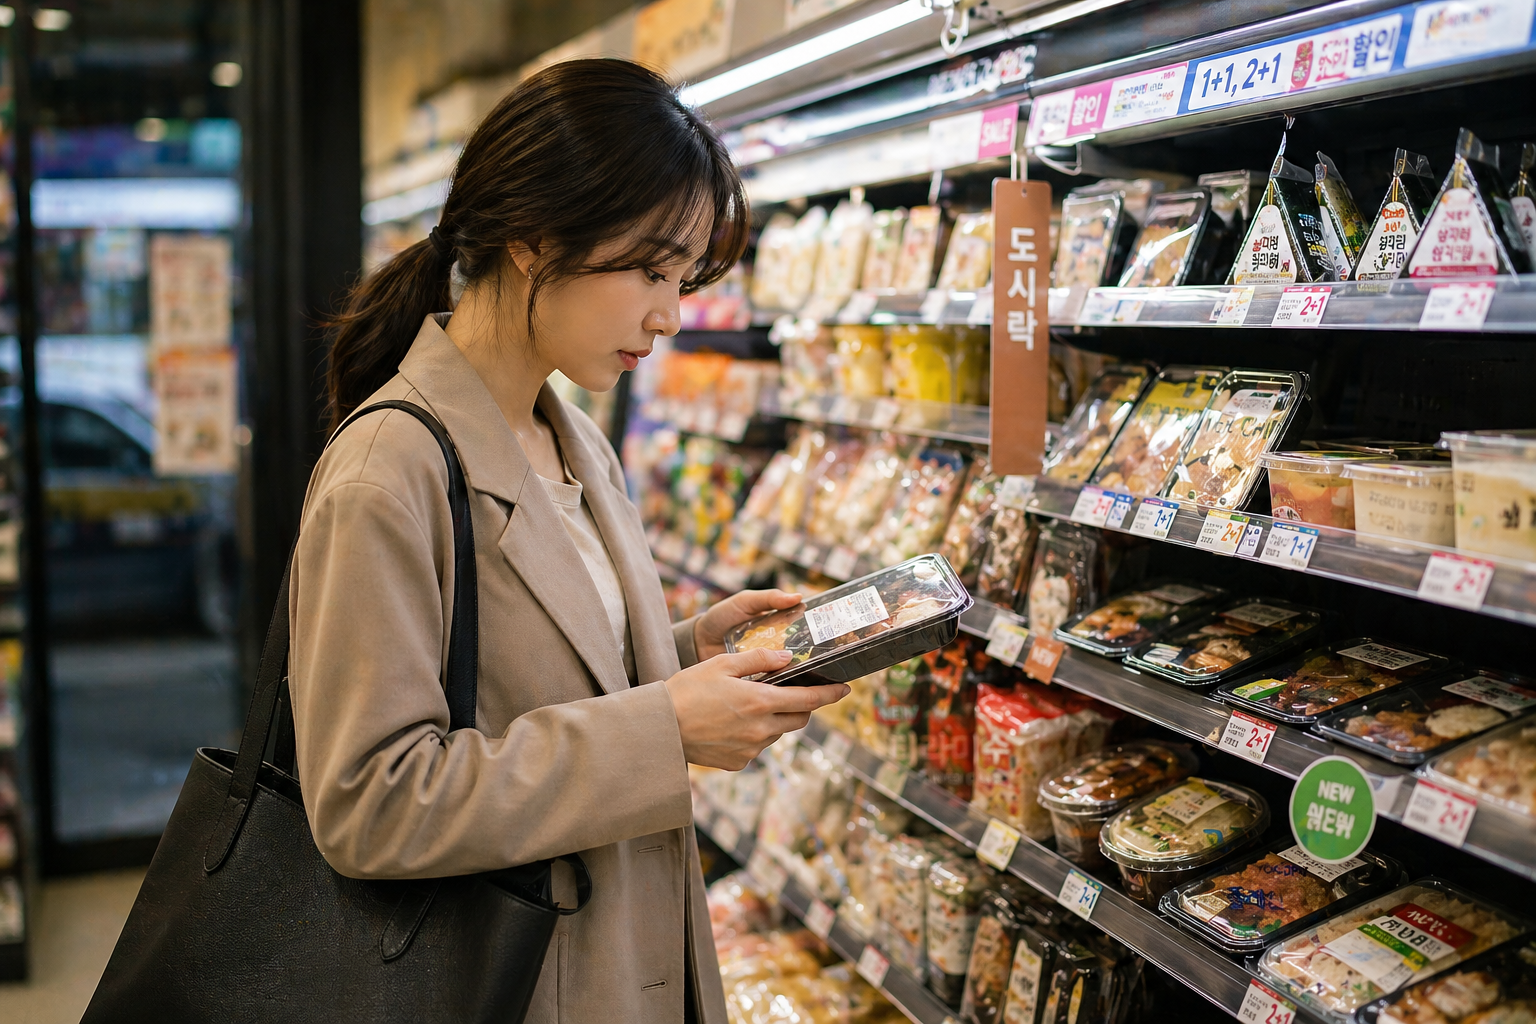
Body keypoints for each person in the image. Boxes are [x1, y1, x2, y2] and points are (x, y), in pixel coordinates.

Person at [291, 59, 848, 1023]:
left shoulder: (572, 432)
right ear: (534, 238)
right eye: (650, 270)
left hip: (624, 955)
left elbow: (529, 685)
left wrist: (683, 657)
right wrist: (666, 727)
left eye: (682, 278)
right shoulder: (390, 469)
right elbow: (369, 802)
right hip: (516, 980)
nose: (670, 315)